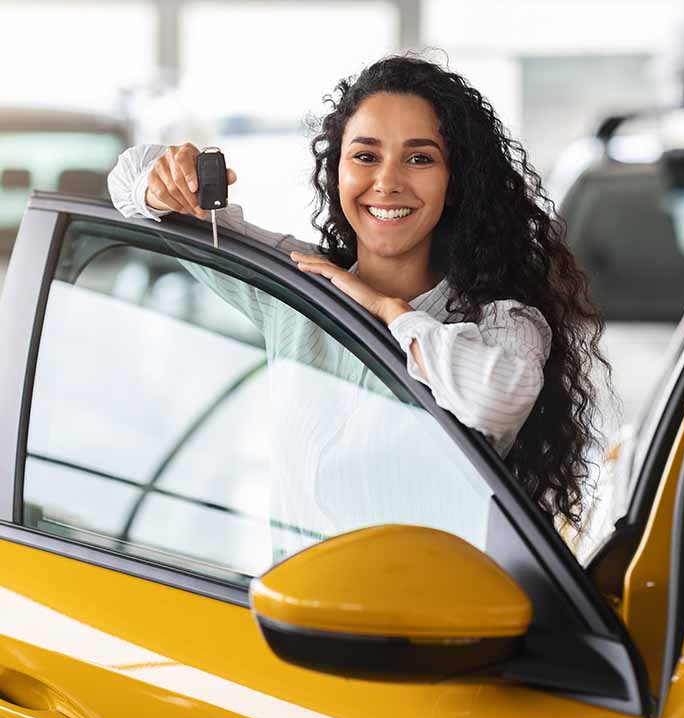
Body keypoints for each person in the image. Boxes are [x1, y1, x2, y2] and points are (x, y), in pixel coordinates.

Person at [108, 54, 609, 544]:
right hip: (294, 615)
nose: (387, 182)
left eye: (419, 158)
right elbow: (129, 181)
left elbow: (496, 400)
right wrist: (166, 181)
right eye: (365, 156)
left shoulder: (500, 320)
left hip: (439, 619)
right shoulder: (298, 286)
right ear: (337, 172)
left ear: (454, 183)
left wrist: (388, 309)